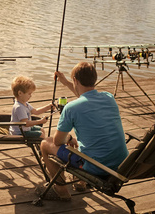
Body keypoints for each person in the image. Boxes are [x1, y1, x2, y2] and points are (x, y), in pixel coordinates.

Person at [37, 62, 129, 201]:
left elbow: (57, 141)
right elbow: (86, 97)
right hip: (120, 163)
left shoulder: (71, 108)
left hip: (96, 167)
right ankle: (80, 182)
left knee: (45, 143)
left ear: (76, 80)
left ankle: (61, 191)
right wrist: (66, 82)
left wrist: (68, 138)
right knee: (85, 140)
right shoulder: (108, 98)